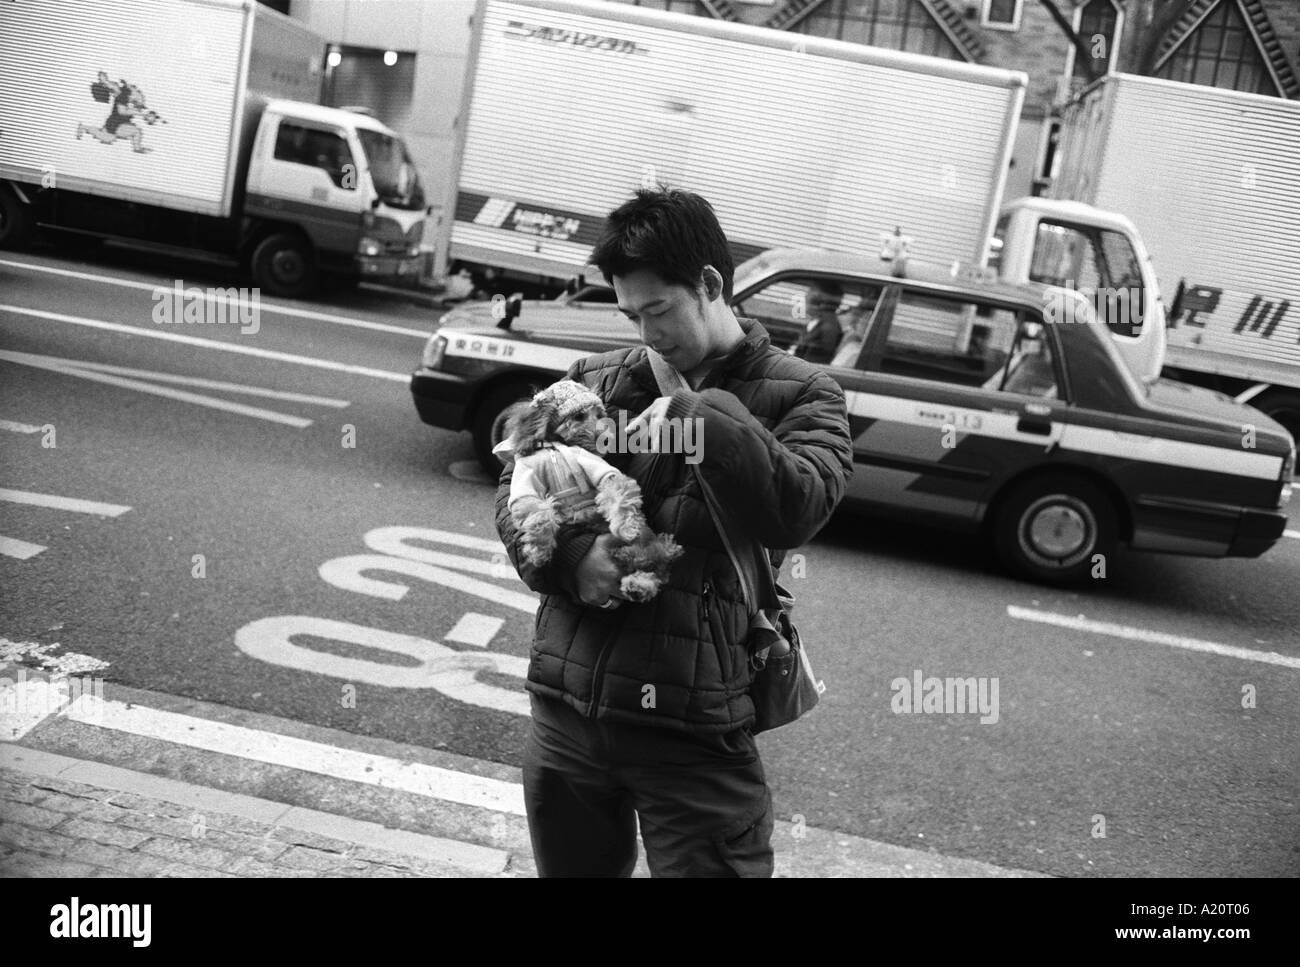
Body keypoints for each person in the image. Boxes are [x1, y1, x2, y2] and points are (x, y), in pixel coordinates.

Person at [493, 187, 853, 877]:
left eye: (658, 310)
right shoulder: (597, 378)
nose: (647, 332)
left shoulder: (802, 393)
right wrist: (570, 559)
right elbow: (514, 489)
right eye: (631, 314)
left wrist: (701, 413)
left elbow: (798, 505)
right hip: (569, 715)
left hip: (692, 731)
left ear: (712, 284)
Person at [791, 278, 846, 364]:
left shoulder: (828, 328)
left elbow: (811, 364)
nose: (806, 296)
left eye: (810, 293)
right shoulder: (819, 321)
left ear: (818, 301)